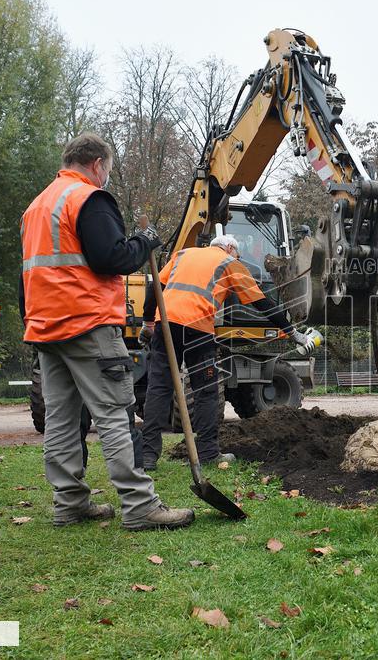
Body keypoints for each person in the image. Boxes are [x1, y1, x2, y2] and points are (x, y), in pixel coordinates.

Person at [20, 132, 193, 530]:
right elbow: (109, 258)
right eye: (109, 170)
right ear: (98, 164)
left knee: (62, 421)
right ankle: (140, 505)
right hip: (88, 323)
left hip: (46, 327)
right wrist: (144, 241)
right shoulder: (88, 199)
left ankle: (69, 503)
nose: (107, 177)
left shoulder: (37, 206)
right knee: (115, 413)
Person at [139, 234, 317, 471]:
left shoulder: (183, 254)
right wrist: (292, 333)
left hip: (165, 325)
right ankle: (209, 454)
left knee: (159, 387)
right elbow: (261, 302)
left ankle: (148, 456)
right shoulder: (229, 263)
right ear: (230, 248)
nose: (239, 258)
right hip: (198, 328)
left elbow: (155, 288)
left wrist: (148, 323)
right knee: (206, 391)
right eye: (238, 254)